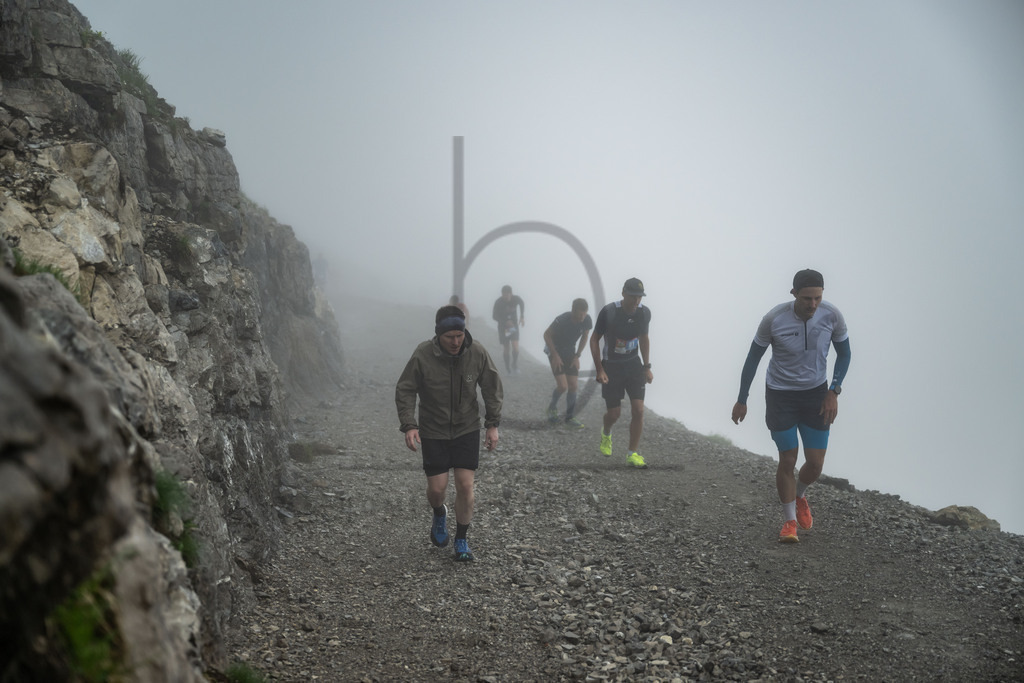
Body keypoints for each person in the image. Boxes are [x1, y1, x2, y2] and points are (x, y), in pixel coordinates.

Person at [731, 268, 852, 543]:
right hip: (780, 395)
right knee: (787, 459)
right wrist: (742, 399)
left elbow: (844, 353)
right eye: (807, 298)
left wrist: (834, 390)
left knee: (815, 464)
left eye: (817, 298)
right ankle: (789, 523)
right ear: (794, 293)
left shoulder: (831, 315)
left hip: (816, 395)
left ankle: (799, 496)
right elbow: (753, 359)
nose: (813, 305)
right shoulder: (774, 319)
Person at [395, 305, 503, 561]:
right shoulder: (423, 354)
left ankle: (462, 539)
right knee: (437, 490)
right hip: (433, 430)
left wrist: (492, 424)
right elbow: (405, 389)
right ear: (438, 335)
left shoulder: (476, 352)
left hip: (466, 427)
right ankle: (439, 513)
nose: (456, 342)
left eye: (459, 335)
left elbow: (491, 387)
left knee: (466, 485)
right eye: (449, 337)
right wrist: (409, 425)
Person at [589, 278, 652, 468]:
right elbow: (594, 339)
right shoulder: (610, 312)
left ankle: (632, 454)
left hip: (634, 365)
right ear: (623, 293)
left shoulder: (644, 313)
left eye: (639, 297)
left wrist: (647, 367)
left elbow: (644, 338)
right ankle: (606, 432)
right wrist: (600, 369)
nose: (636, 301)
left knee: (638, 410)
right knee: (614, 414)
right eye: (633, 296)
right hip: (612, 367)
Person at [543, 298, 593, 429]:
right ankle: (551, 408)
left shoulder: (587, 320)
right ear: (573, 311)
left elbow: (585, 336)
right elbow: (546, 335)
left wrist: (577, 356)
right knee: (563, 386)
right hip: (555, 348)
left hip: (570, 351)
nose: (583, 317)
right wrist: (555, 355)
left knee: (573, 385)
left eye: (585, 313)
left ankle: (570, 417)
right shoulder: (562, 320)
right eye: (580, 314)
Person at [491, 285, 525, 374]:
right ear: (502, 294)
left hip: (513, 326)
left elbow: (522, 303)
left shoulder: (516, 299)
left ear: (511, 294)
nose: (505, 297)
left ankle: (514, 364)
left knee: (515, 347)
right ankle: (508, 368)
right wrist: (505, 321)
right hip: (503, 327)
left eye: (507, 295)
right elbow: (494, 316)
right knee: (506, 348)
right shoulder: (498, 302)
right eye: (504, 295)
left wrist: (522, 316)